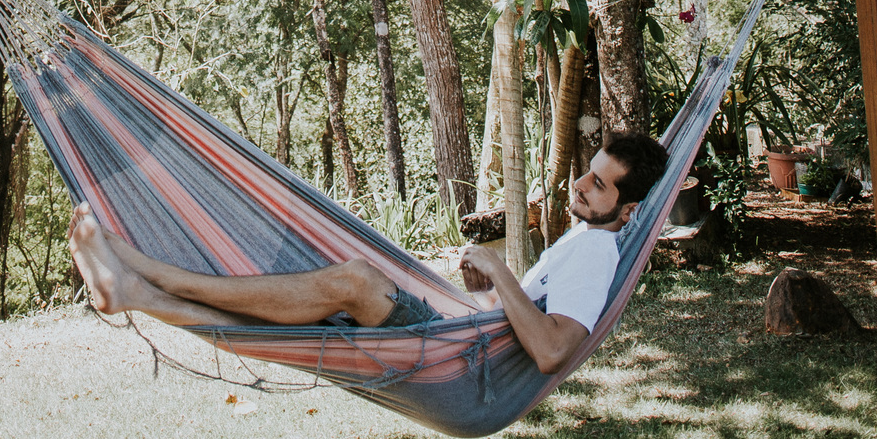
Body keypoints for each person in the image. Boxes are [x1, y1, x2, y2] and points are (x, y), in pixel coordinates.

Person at [68, 130, 669, 377]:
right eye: (587, 175)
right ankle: (139, 294)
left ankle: (148, 270)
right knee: (307, 309)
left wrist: (501, 276)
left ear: (630, 209)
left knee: (355, 280)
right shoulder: (583, 236)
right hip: (461, 335)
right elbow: (528, 311)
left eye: (600, 186)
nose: (581, 187)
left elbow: (552, 350)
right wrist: (483, 292)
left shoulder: (596, 253)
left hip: (460, 365)